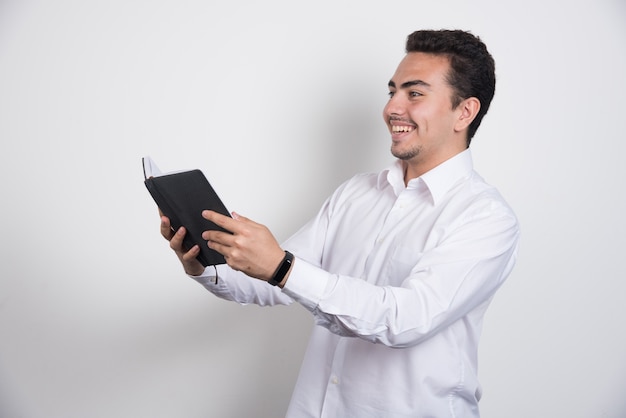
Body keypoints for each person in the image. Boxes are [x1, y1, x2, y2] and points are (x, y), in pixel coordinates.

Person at [159, 29, 520, 418]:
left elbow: (405, 319)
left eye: (414, 94)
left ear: (464, 112)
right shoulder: (357, 193)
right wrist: (204, 261)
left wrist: (281, 266)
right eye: (392, 91)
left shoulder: (486, 218)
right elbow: (273, 282)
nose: (392, 108)